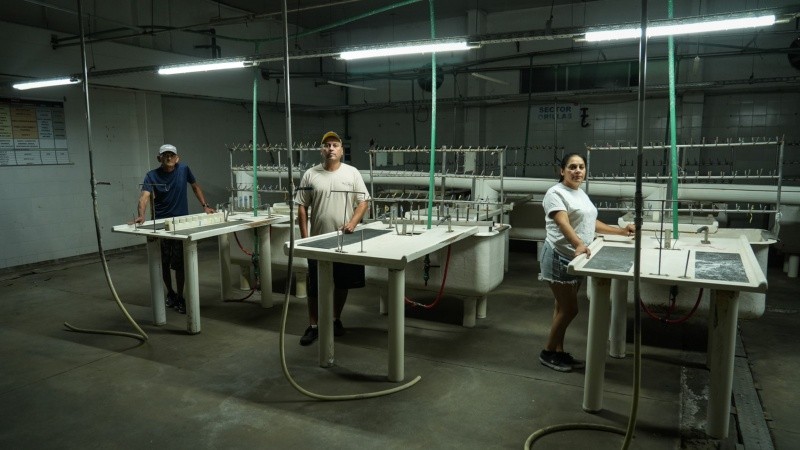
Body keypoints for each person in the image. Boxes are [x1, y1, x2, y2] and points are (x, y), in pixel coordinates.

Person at [538, 152, 634, 372]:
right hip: (559, 256)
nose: (577, 171)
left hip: (575, 256)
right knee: (570, 310)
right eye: (572, 167)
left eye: (581, 167)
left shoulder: (579, 193)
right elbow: (563, 222)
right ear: (562, 171)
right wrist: (578, 243)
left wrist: (621, 231)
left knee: (561, 308)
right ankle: (547, 352)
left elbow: (591, 221)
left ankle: (558, 353)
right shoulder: (555, 193)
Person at [294, 131, 371, 346]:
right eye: (327, 145)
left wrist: (353, 222)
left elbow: (364, 201)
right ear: (321, 150)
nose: (331, 149)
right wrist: (304, 238)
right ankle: (314, 325)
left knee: (342, 283)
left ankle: (336, 319)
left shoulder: (352, 173)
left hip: (344, 240)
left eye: (335, 145)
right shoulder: (310, 174)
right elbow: (302, 206)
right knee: (314, 286)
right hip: (317, 240)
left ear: (341, 150)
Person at [135, 144, 215, 314]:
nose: (169, 158)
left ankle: (180, 295)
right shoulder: (152, 175)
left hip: (181, 225)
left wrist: (205, 206)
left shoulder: (184, 169)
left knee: (179, 264)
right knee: (163, 262)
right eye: (165, 155)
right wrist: (141, 215)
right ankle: (170, 293)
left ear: (177, 158)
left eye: (172, 155)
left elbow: (195, 186)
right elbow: (144, 197)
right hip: (162, 226)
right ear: (159, 158)